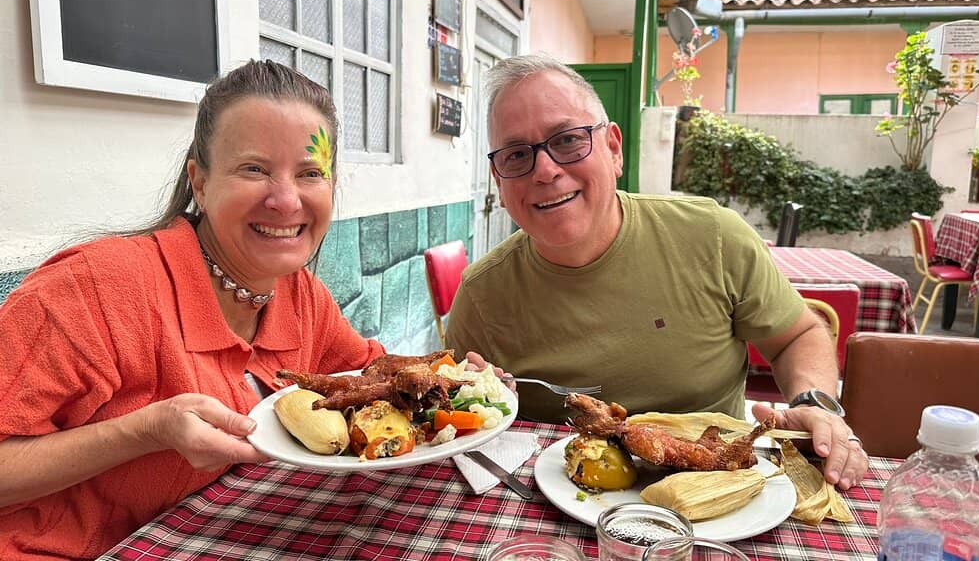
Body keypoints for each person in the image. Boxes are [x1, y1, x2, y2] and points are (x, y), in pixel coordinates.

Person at [0, 60, 385, 560]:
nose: (287, 200)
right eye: (255, 169)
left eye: (311, 173)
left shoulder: (301, 296)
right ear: (199, 183)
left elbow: (364, 374)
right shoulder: (93, 289)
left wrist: (456, 379)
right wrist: (144, 431)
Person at [445, 54, 868, 490]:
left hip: (719, 493)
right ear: (499, 180)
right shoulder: (482, 295)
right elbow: (449, 421)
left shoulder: (712, 236)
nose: (546, 170)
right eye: (517, 155)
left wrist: (813, 403)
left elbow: (798, 335)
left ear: (613, 149)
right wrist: (478, 401)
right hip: (556, 509)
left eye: (568, 140)